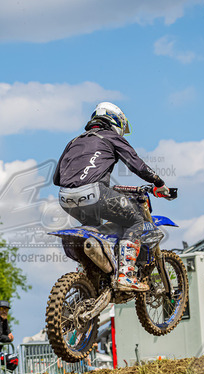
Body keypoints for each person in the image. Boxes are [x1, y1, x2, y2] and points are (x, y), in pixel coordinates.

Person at [53, 102, 170, 291]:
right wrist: (159, 183)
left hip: (65, 197)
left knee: (96, 228)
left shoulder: (74, 141)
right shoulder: (110, 136)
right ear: (116, 121)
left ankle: (93, 276)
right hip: (94, 193)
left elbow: (57, 178)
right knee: (135, 220)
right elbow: (137, 165)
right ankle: (125, 275)